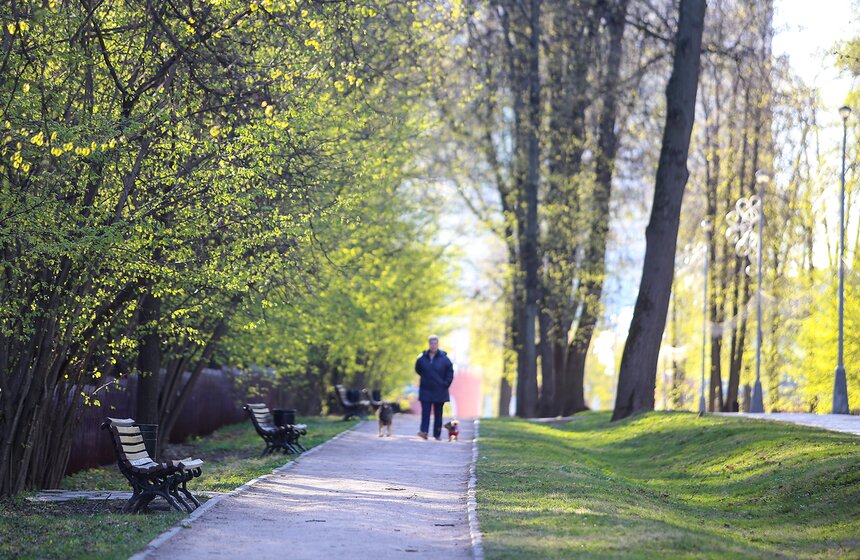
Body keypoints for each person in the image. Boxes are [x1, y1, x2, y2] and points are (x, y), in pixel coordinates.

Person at [414, 334, 454, 440]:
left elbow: (450, 372)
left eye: (435, 343)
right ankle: (424, 432)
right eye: (431, 343)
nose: (433, 345)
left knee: (438, 414)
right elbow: (418, 369)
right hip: (425, 389)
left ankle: (437, 434)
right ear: (429, 344)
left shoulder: (445, 359)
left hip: (440, 390)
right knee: (425, 412)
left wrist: (446, 383)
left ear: (438, 344)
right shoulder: (422, 358)